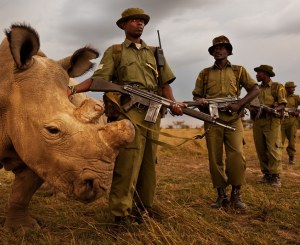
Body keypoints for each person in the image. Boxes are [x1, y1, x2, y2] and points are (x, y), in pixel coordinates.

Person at [67, 8, 184, 225]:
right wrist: (72, 90)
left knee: (149, 163)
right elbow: (98, 80)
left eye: (142, 21)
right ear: (124, 25)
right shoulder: (116, 51)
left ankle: (143, 208)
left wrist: (174, 102)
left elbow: (165, 84)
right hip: (128, 113)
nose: (139, 24)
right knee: (128, 163)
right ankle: (120, 214)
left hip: (153, 113)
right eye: (134, 21)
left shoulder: (154, 52)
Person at [192, 35, 259, 211]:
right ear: (212, 52)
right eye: (215, 48)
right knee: (214, 158)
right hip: (212, 119)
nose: (218, 50)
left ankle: (236, 195)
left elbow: (255, 89)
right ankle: (221, 195)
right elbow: (196, 95)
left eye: (222, 47)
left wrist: (239, 104)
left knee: (236, 156)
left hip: (233, 119)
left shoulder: (239, 70)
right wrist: (201, 101)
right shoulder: (204, 73)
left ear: (228, 51)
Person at [252, 65, 287, 187]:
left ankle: (275, 176)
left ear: (265, 74)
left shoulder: (277, 86)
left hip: (272, 121)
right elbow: (253, 103)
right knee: (261, 149)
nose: (256, 75)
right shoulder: (256, 88)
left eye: (258, 73)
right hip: (258, 122)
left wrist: (273, 110)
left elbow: (283, 104)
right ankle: (267, 175)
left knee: (273, 149)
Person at [281, 81, 300, 164]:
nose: (294, 89)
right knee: (279, 141)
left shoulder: (296, 97)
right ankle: (276, 158)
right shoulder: (280, 96)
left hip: (292, 121)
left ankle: (291, 157)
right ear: (287, 88)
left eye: (294, 87)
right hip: (280, 121)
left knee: (292, 141)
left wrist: (298, 112)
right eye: (292, 87)